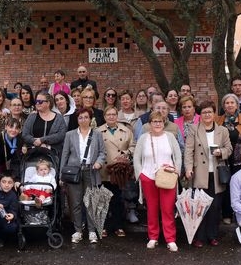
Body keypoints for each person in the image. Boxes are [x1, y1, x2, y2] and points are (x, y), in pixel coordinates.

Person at [184, 100, 232, 247]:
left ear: (214, 113)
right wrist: (188, 168)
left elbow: (229, 149)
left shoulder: (222, 130)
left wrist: (221, 152)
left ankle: (212, 236)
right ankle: (199, 237)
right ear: (200, 114)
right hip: (200, 173)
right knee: (200, 206)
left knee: (215, 207)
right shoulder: (193, 129)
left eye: (209, 112)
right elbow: (188, 150)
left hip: (216, 174)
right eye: (204, 112)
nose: (207, 114)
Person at [134, 110, 182, 252]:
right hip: (148, 176)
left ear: (164, 123)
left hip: (167, 177)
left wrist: (177, 171)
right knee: (152, 209)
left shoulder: (170, 137)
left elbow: (178, 155)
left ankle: (170, 239)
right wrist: (140, 174)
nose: (157, 124)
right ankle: (153, 237)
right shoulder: (143, 138)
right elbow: (136, 157)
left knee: (167, 209)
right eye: (154, 121)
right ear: (149, 124)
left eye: (160, 121)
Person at [61, 107, 106, 243]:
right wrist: (61, 175)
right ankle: (78, 231)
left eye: (86, 117)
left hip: (91, 171)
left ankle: (92, 231)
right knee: (75, 203)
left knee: (91, 202)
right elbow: (65, 155)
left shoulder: (97, 134)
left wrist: (99, 162)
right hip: (74, 172)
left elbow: (102, 152)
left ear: (90, 119)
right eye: (80, 117)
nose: (83, 120)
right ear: (77, 119)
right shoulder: (70, 135)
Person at [98, 106, 135, 238]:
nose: (111, 117)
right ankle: (104, 226)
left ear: (117, 116)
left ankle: (118, 226)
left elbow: (133, 145)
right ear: (104, 117)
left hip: (119, 171)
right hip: (104, 170)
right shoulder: (98, 131)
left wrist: (125, 154)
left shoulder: (126, 130)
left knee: (118, 200)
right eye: (108, 114)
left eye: (114, 114)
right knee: (104, 200)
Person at [216, 93, 241, 224]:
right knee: (225, 187)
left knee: (240, 188)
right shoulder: (218, 121)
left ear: (237, 105)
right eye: (227, 103)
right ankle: (227, 214)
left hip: (240, 160)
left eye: (232, 103)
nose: (230, 105)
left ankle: (240, 214)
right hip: (223, 160)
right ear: (223, 106)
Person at [23, 91, 68, 157]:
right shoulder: (32, 116)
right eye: (36, 101)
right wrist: (34, 141)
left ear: (48, 103)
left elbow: (61, 135)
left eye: (40, 101)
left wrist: (42, 140)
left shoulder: (59, 118)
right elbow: (25, 134)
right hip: (34, 154)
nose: (37, 103)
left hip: (53, 154)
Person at [0, 117, 26, 185]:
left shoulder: (19, 140)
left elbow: (16, 161)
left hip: (8, 169)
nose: (13, 130)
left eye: (16, 128)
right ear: (6, 127)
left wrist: (16, 178)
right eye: (11, 127)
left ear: (19, 130)